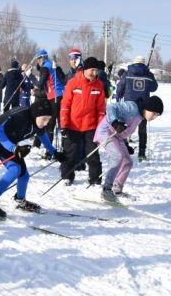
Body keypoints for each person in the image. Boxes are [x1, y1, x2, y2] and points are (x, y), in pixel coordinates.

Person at [0, 98, 66, 218]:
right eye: (44, 119)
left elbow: (42, 135)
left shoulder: (36, 119)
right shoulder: (20, 116)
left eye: (48, 119)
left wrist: (54, 152)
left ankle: (20, 201)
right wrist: (14, 149)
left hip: (11, 140)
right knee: (15, 170)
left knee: (24, 175)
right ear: (37, 114)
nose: (46, 123)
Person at [95, 96, 163, 201]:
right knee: (118, 157)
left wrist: (125, 144)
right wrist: (115, 122)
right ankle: (106, 190)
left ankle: (117, 188)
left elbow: (125, 128)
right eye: (153, 113)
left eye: (157, 116)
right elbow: (111, 107)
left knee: (127, 162)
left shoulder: (140, 116)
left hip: (116, 137)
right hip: (106, 132)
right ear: (147, 108)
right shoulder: (132, 107)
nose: (154, 117)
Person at [59, 57, 105, 186]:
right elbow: (65, 105)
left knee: (92, 155)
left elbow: (101, 109)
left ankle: (95, 179)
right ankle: (67, 176)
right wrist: (64, 124)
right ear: (85, 69)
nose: (94, 73)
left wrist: (101, 127)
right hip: (73, 125)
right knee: (70, 153)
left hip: (91, 126)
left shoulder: (99, 85)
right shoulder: (73, 83)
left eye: (96, 70)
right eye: (92, 70)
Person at [115, 55, 158, 161]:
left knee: (125, 128)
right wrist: (149, 74)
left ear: (134, 62)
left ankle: (124, 151)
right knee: (142, 130)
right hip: (143, 107)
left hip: (128, 106)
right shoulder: (148, 74)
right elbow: (154, 88)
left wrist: (119, 95)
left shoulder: (127, 73)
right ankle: (142, 153)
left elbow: (120, 88)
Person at [34, 49, 65, 156]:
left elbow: (40, 84)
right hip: (60, 95)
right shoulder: (51, 65)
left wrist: (31, 78)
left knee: (50, 125)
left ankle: (49, 152)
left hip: (55, 97)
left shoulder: (45, 67)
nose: (37, 61)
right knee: (60, 124)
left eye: (38, 59)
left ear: (42, 58)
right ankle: (63, 148)